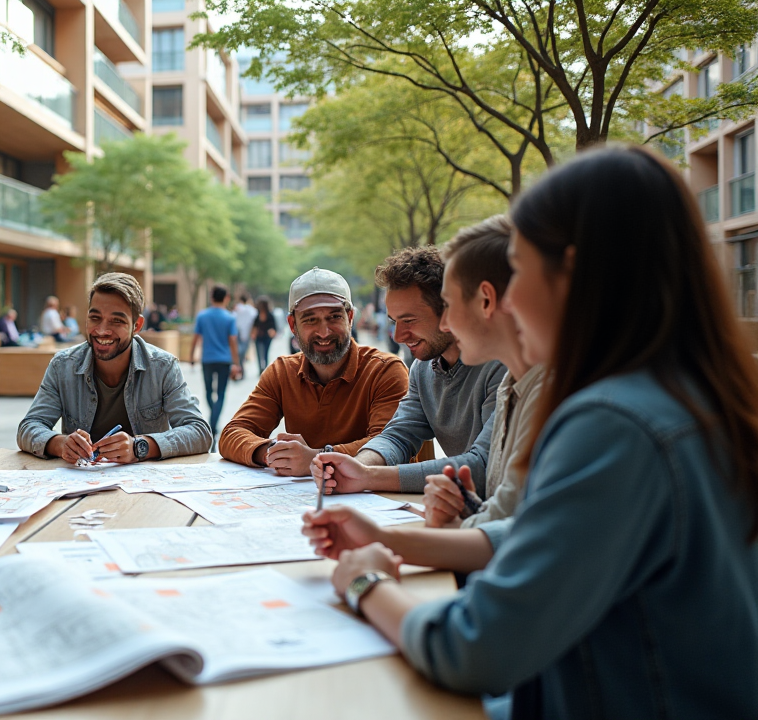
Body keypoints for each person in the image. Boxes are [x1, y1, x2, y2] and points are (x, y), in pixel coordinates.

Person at [302, 146, 758, 719]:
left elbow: (476, 646)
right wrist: (388, 537)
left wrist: (366, 585)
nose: (507, 302)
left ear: (574, 274)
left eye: (519, 270)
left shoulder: (613, 425)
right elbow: (539, 537)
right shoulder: (676, 393)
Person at [311, 247, 507, 496]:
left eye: (409, 320)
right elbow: (399, 435)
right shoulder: (422, 368)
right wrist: (357, 466)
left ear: (449, 311)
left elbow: (486, 466)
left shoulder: (503, 364)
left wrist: (368, 477)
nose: (398, 336)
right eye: (394, 322)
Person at [220, 269, 409, 476]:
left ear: (350, 318)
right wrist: (275, 453)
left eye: (334, 317)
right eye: (310, 320)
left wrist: (316, 458)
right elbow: (232, 434)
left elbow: (390, 444)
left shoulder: (385, 370)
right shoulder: (282, 372)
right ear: (292, 325)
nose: (324, 332)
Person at [422, 216, 544, 529]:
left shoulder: (551, 392)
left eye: (448, 305)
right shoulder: (511, 384)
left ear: (486, 300)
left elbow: (525, 534)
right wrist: (471, 509)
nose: (444, 324)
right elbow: (509, 513)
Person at [18, 272, 211, 463]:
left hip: (144, 481)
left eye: (117, 321)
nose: (102, 330)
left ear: (137, 325)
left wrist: (139, 447)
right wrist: (61, 444)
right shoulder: (62, 366)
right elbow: (29, 427)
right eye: (95, 318)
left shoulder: (163, 367)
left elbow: (199, 431)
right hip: (79, 479)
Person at [191, 286, 242, 438]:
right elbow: (233, 341)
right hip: (224, 360)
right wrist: (237, 363)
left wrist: (192, 356)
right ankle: (214, 423)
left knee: (208, 391)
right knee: (221, 393)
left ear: (211, 297)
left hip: (207, 359)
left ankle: (212, 420)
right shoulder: (230, 317)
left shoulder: (202, 316)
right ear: (226, 298)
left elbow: (195, 338)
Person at [232, 293, 258, 375]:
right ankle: (241, 368)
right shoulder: (251, 310)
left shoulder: (237, 309)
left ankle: (240, 367)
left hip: (237, 332)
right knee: (242, 351)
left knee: (239, 351)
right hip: (247, 333)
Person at [251, 295, 278, 375]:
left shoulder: (270, 316)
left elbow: (274, 327)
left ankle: (265, 367)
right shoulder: (257, 315)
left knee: (266, 352)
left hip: (267, 337)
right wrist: (253, 334)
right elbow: (255, 326)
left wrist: (272, 332)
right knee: (258, 353)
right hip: (258, 337)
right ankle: (260, 368)